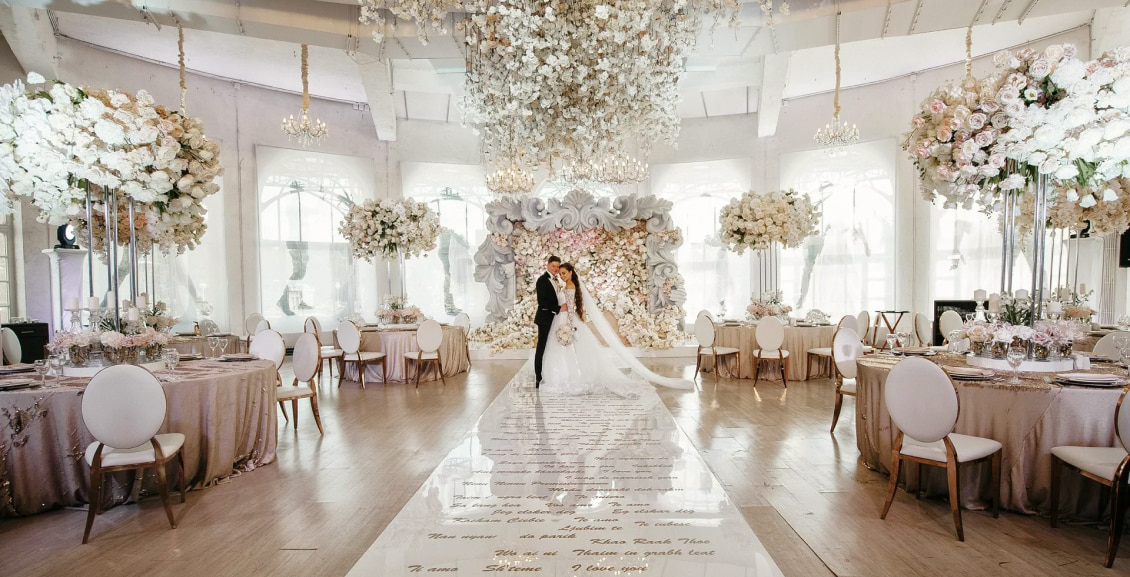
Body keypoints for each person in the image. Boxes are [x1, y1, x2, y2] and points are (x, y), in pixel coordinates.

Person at [539, 262, 694, 396]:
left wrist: (569, 325)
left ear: (571, 273)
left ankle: (570, 377)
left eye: (565, 273)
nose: (562, 276)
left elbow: (571, 309)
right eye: (560, 274)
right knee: (562, 351)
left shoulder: (570, 286)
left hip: (566, 320)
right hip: (560, 319)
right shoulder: (566, 285)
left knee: (569, 350)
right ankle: (563, 375)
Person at [533, 255, 563, 388]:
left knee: (550, 346)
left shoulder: (557, 280)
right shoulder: (542, 280)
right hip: (545, 318)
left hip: (554, 318)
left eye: (558, 266)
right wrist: (559, 308)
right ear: (548, 265)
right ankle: (538, 376)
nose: (556, 269)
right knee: (541, 347)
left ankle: (550, 372)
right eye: (553, 266)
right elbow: (542, 302)